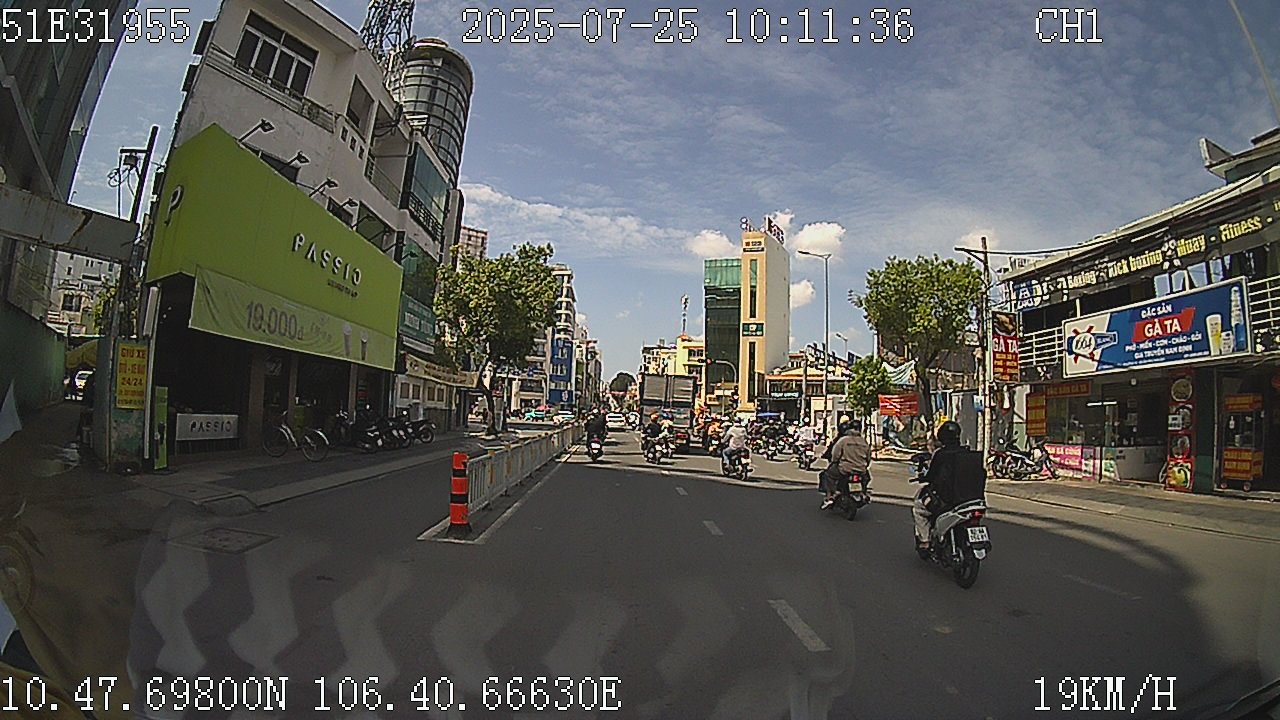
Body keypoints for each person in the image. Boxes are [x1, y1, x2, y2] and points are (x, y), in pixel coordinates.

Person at [912, 420, 985, 549]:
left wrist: (923, 477)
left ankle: (925, 540)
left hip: (948, 500)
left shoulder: (941, 454)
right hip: (973, 499)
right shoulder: (968, 453)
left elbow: (931, 475)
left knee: (919, 508)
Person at [821, 417, 872, 508]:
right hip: (861, 469)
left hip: (844, 469)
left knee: (828, 475)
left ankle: (830, 496)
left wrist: (834, 461)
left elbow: (835, 455)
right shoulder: (864, 442)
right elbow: (868, 458)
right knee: (866, 478)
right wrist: (863, 466)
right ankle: (863, 492)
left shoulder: (843, 440)